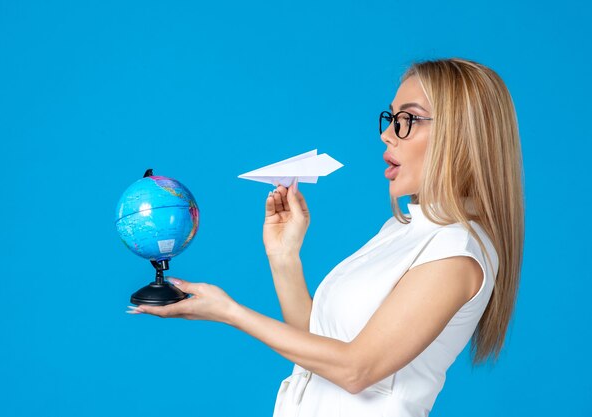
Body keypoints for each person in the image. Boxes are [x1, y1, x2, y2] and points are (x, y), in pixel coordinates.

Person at [128, 57, 525, 417]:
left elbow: (356, 369)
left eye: (407, 120)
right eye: (389, 118)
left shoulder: (457, 254)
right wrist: (284, 256)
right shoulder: (402, 230)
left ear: (460, 135)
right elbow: (317, 347)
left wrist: (228, 312)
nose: (387, 135)